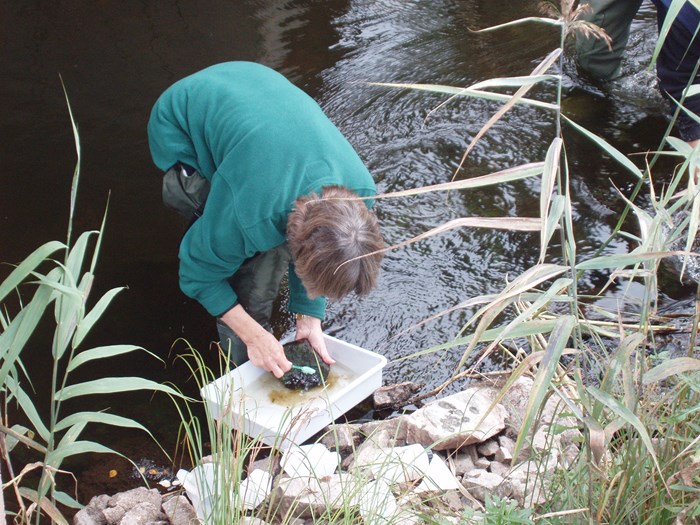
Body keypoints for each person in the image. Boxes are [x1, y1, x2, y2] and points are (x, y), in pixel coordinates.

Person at [147, 62, 385, 378]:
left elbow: (318, 248)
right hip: (180, 122)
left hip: (252, 84)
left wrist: (309, 316)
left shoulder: (362, 191)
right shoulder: (251, 215)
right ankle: (241, 371)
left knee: (265, 255)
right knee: (240, 267)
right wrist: (252, 334)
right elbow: (195, 274)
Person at [575, 0, 700, 148]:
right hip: (684, 14)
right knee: (594, 59)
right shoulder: (687, 13)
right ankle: (588, 97)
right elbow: (683, 84)